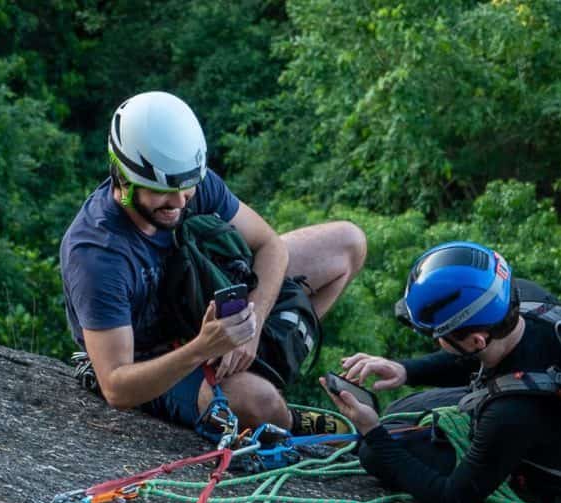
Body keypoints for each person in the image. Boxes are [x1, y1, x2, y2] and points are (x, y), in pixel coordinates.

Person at [61, 91, 366, 433]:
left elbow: (270, 245)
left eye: (186, 188)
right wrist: (201, 349)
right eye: (162, 191)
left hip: (204, 300)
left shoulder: (188, 180)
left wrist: (252, 324)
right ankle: (286, 419)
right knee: (259, 404)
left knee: (348, 244)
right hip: (152, 357)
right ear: (123, 178)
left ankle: (260, 361)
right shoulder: (98, 255)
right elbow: (116, 386)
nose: (178, 202)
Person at [320, 241, 561, 503]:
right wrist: (406, 371)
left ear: (476, 339)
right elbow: (477, 360)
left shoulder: (513, 413)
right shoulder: (527, 303)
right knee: (403, 410)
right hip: (538, 416)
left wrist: (371, 432)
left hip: (546, 468)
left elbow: (450, 501)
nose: (435, 341)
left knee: (375, 453)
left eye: (438, 334)